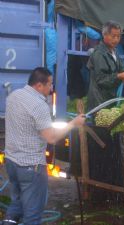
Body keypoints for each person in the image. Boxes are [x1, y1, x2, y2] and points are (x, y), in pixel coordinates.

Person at [3, 67, 86, 225]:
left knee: (16, 204)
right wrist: (73, 123)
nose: (51, 88)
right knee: (32, 216)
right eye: (50, 84)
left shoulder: (13, 96)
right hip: (31, 167)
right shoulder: (39, 106)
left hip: (12, 162)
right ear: (39, 85)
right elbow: (51, 137)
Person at [87, 20, 124, 111]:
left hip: (110, 102)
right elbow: (101, 80)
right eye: (113, 36)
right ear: (104, 35)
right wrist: (118, 76)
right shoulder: (99, 53)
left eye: (118, 36)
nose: (116, 40)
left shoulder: (114, 52)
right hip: (100, 103)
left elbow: (123, 67)